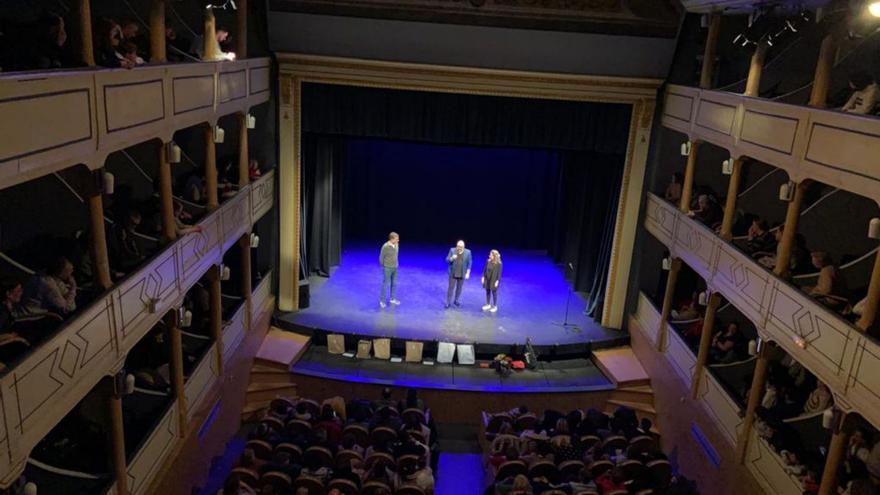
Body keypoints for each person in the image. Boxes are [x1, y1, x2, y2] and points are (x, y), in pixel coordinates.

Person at [445, 240, 472, 309]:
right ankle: (448, 302)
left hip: (462, 273)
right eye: (457, 246)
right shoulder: (452, 250)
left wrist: (468, 273)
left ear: (463, 247)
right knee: (451, 288)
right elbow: (447, 260)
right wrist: (452, 258)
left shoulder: (468, 252)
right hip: (453, 273)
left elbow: (469, 263)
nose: (458, 248)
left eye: (460, 247)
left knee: (459, 288)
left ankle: (456, 300)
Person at [379, 232, 400, 308]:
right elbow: (381, 257)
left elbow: (396, 255)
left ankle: (392, 298)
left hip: (395, 267)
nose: (398, 240)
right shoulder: (385, 246)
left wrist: (396, 264)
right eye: (397, 239)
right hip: (387, 268)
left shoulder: (396, 244)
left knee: (394, 283)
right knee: (385, 284)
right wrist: (384, 266)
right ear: (392, 239)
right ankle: (382, 301)